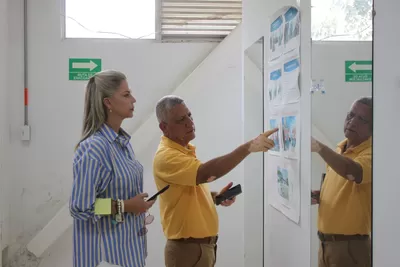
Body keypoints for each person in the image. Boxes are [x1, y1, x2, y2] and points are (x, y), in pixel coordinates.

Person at [152, 95, 278, 267]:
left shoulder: (184, 150)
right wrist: (248, 147)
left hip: (202, 248)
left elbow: (185, 192)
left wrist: (215, 197)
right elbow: (207, 173)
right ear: (164, 127)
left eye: (189, 115)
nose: (189, 122)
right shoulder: (167, 156)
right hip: (186, 251)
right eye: (181, 119)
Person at [69, 70, 155, 267]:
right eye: (126, 95)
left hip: (128, 250)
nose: (133, 99)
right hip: (105, 257)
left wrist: (136, 205)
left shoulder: (121, 143)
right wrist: (126, 206)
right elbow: (80, 207)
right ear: (108, 103)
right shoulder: (95, 147)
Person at [311, 97, 372, 267]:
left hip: (350, 248)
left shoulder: (372, 153)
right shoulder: (339, 149)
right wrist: (321, 196)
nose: (352, 121)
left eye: (362, 119)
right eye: (351, 115)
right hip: (325, 245)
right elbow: (343, 185)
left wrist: (319, 147)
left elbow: (352, 172)